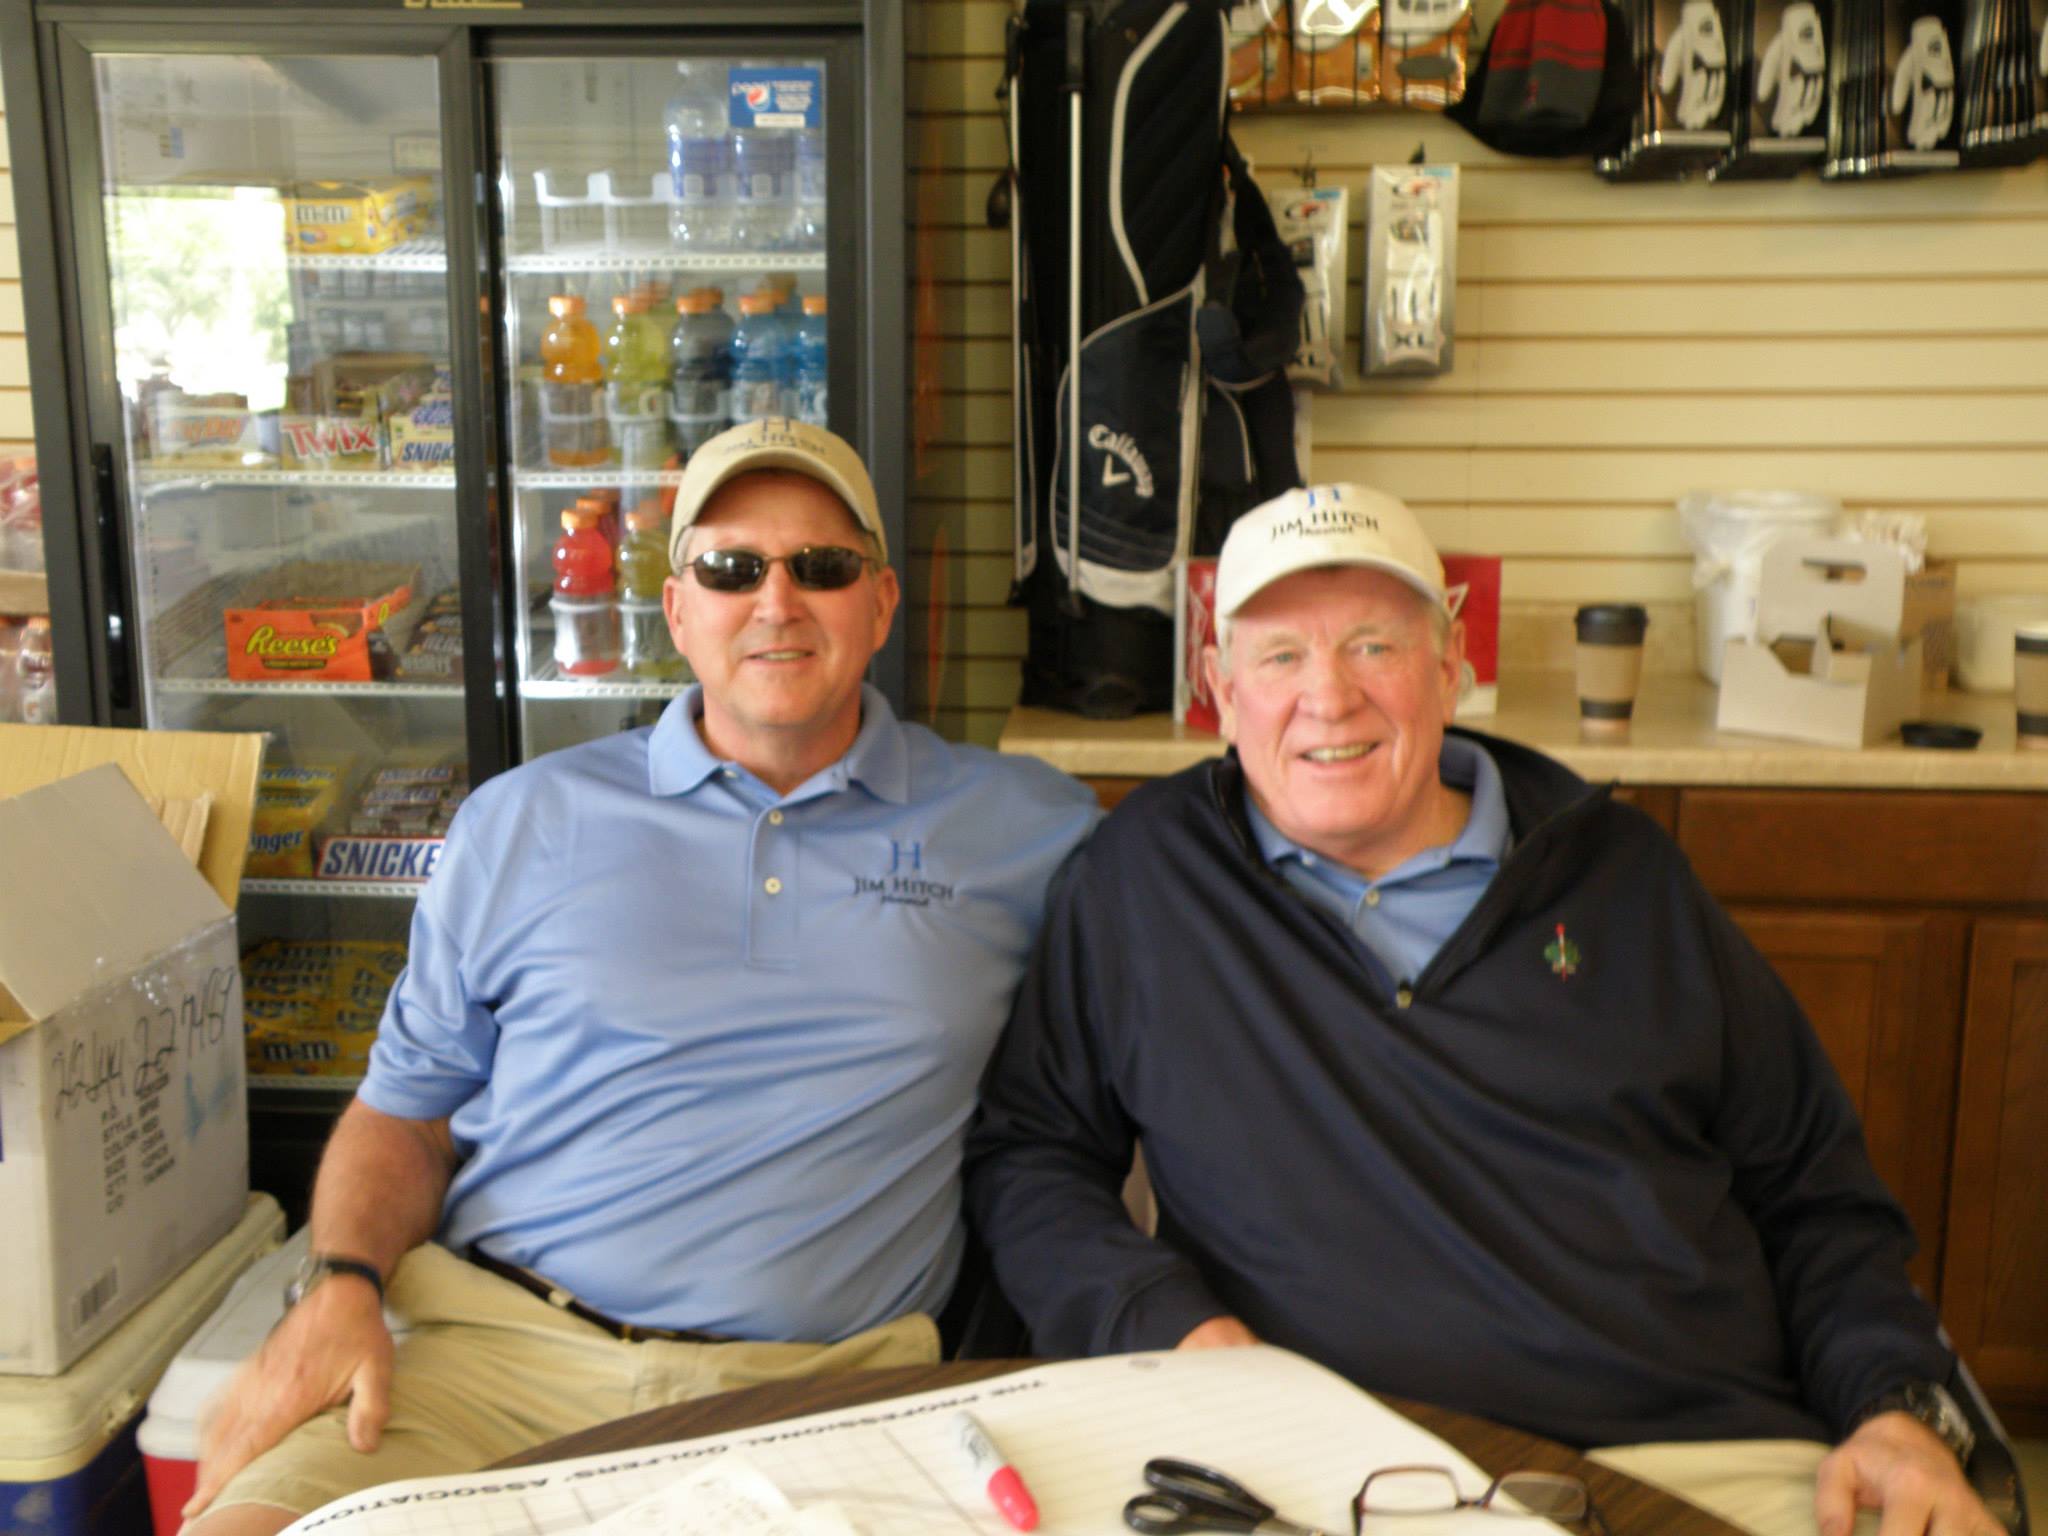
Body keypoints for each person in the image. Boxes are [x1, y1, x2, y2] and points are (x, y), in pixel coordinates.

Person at [965, 483, 2004, 1536]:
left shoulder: (1621, 876)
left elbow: (1814, 1192)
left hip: (1690, 1455)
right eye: (1279, 656)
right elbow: (1031, 1156)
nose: (1328, 697)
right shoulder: (1149, 879)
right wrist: (1169, 1328)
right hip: (1334, 1478)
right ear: (1220, 692)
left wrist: (1894, 1409)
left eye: (1372, 645)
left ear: (1450, 665)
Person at [188, 419, 1099, 1535]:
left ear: (880, 603)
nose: (776, 601)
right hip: (491, 1363)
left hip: (819, 1397)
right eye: (730, 569)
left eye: (821, 566)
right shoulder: (520, 822)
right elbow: (407, 1117)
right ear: (676, 610)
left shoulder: (1024, 829)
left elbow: (1212, 884)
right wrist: (339, 1284)